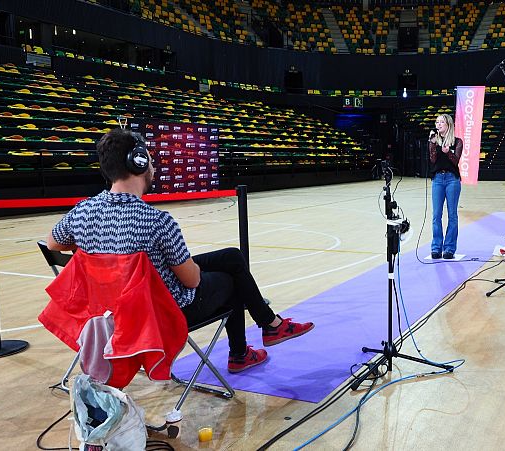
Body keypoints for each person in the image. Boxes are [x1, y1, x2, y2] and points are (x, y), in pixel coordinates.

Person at [46, 128, 314, 373]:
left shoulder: (82, 211)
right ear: (137, 163)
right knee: (231, 282)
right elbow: (192, 280)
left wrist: (97, 246)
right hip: (161, 311)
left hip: (108, 310)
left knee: (231, 257)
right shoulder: (156, 221)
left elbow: (53, 243)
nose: (152, 165)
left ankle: (268, 327)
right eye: (149, 159)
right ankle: (245, 349)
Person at [428, 113, 464, 260]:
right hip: (437, 179)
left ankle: (449, 248)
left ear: (448, 124)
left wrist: (448, 151)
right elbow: (433, 160)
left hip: (452, 180)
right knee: (436, 215)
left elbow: (455, 161)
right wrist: (433, 144)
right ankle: (436, 247)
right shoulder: (433, 140)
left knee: (452, 215)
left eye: (441, 122)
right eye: (437, 122)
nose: (438, 124)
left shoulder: (457, 142)